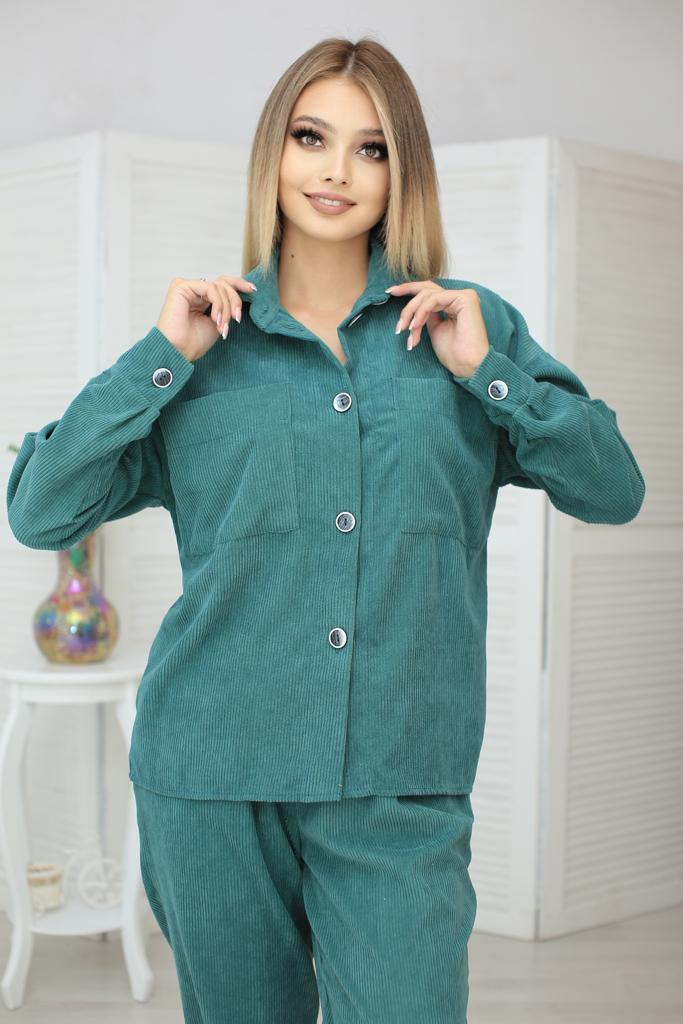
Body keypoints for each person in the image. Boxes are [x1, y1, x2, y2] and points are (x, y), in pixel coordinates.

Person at [6, 36, 646, 1024]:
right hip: (210, 781)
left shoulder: (465, 328)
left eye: (370, 147)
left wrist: (490, 374)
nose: (336, 170)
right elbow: (40, 509)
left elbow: (611, 488)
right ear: (273, 152)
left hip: (400, 783)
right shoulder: (201, 345)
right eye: (311, 137)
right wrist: (158, 355)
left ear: (400, 172)